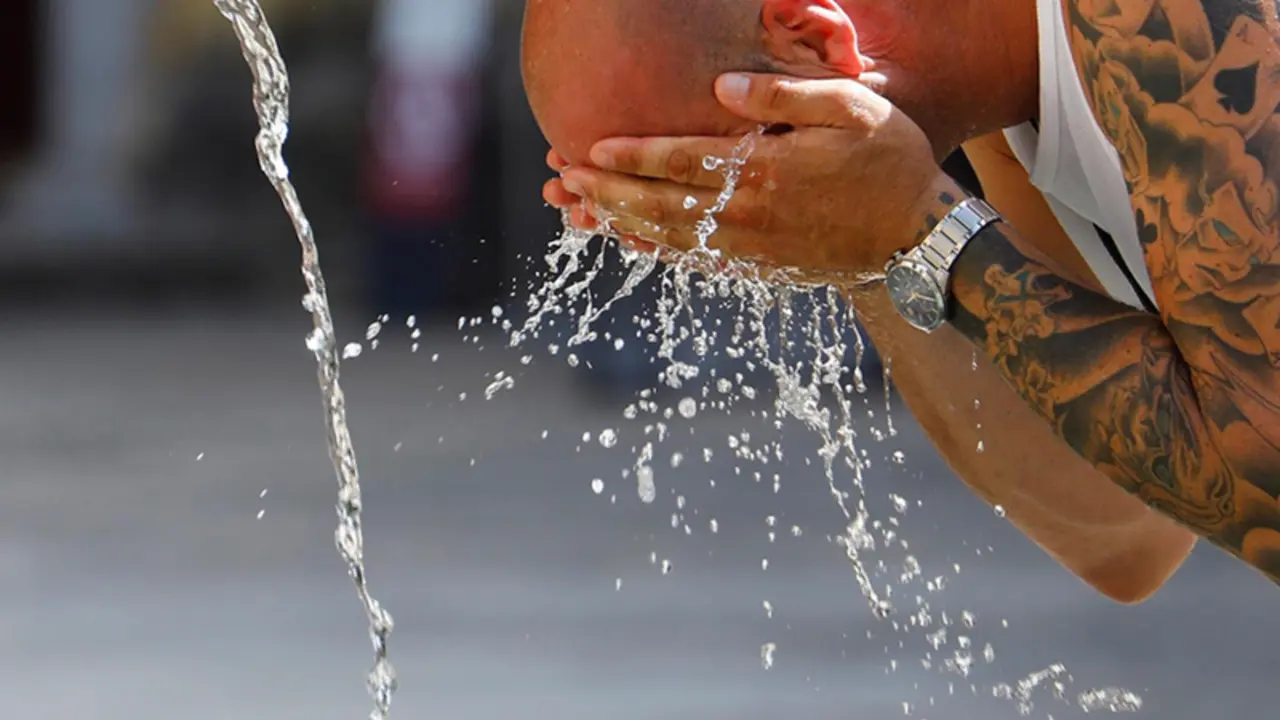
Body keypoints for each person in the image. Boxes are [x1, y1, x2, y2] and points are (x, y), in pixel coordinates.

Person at [522, 0, 1280, 602]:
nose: (737, 238)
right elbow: (1125, 534)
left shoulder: (1176, 26)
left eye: (716, 184)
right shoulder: (1005, 76)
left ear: (812, 39)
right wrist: (864, 245)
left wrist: (927, 229)